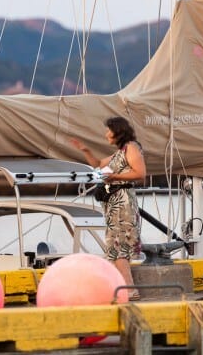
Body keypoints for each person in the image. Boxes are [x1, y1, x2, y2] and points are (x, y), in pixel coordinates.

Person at [71, 116, 146, 300]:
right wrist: (85, 150)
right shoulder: (120, 152)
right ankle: (122, 289)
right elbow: (98, 164)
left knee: (119, 246)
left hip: (123, 203)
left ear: (117, 131)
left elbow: (140, 173)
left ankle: (129, 290)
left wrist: (114, 177)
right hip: (114, 204)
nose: (106, 134)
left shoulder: (131, 148)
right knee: (114, 246)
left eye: (108, 130)